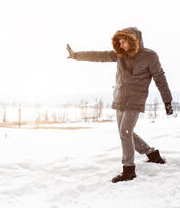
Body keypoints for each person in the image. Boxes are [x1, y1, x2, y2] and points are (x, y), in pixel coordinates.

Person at [66, 27, 174, 183]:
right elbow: (99, 56)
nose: (121, 45)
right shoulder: (120, 54)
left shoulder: (150, 56)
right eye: (119, 42)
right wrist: (76, 55)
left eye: (123, 41)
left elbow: (159, 78)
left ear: (132, 40)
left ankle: (128, 170)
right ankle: (151, 153)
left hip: (135, 99)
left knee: (125, 132)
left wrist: (167, 101)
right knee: (125, 133)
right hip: (120, 98)